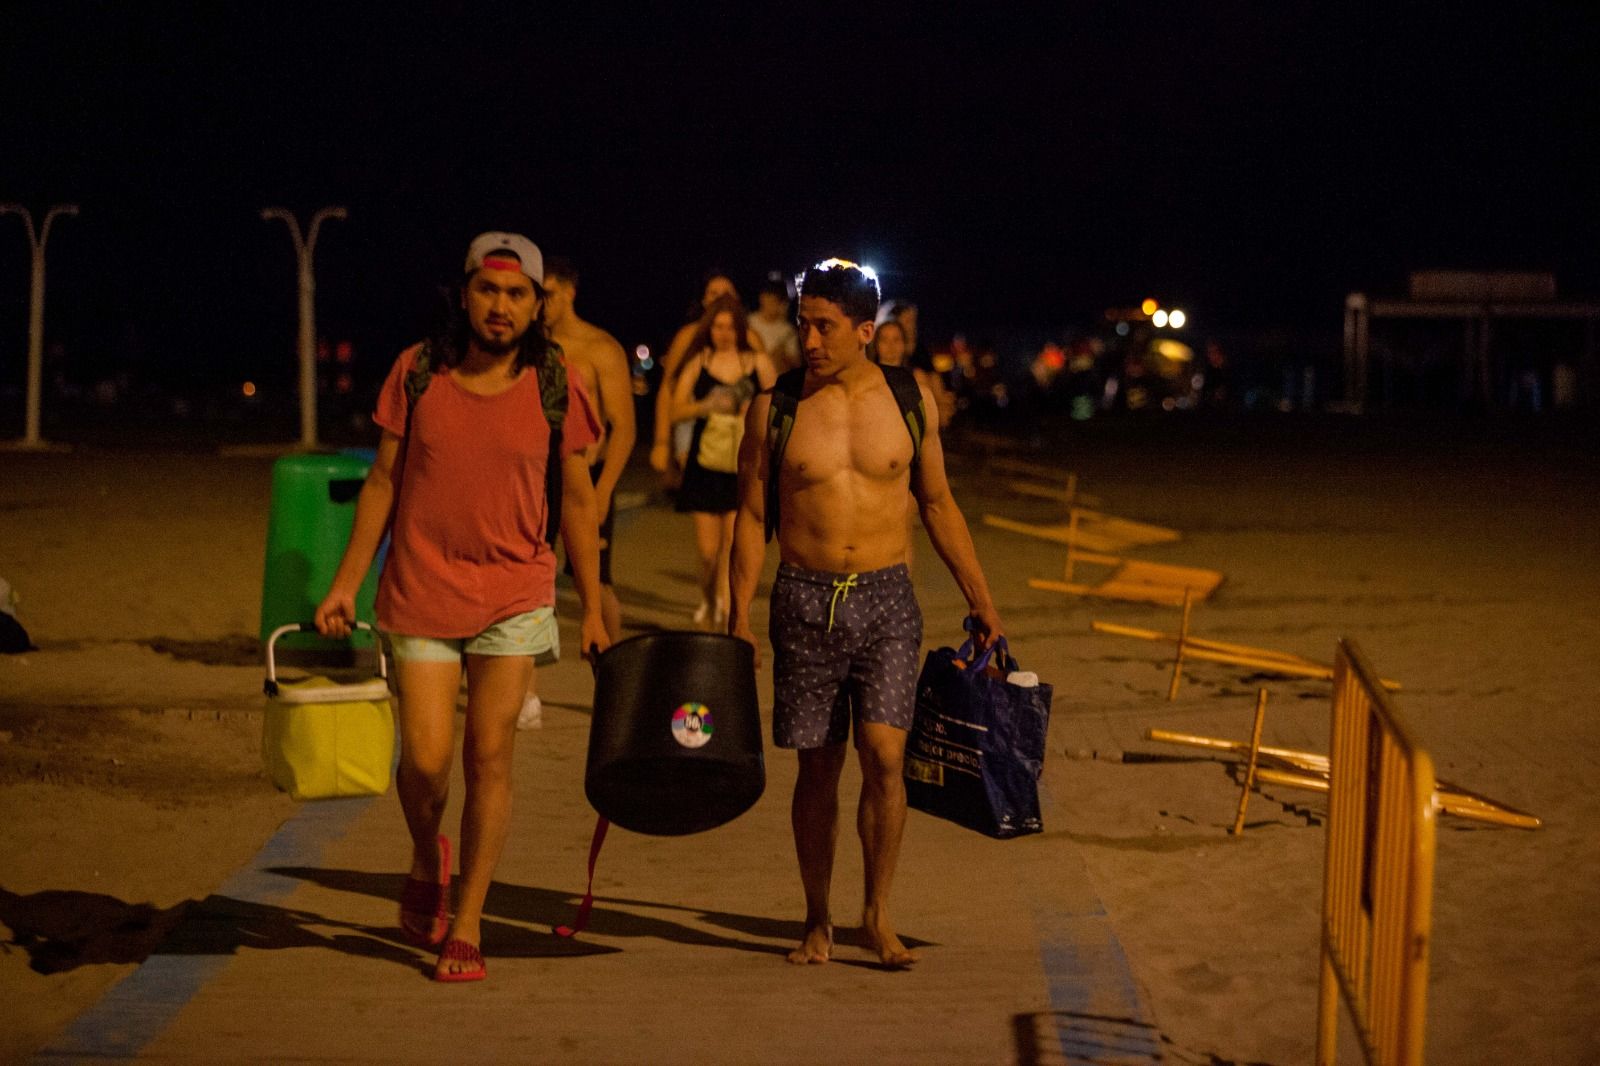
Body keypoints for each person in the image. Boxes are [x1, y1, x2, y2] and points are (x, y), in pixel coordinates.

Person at [313, 232, 610, 983]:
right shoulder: (417, 370)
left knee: (488, 755)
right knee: (427, 760)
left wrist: (597, 607)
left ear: (538, 302)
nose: (501, 307)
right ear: (466, 291)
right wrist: (346, 582)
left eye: (517, 295)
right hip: (419, 589)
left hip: (514, 592)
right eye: (489, 290)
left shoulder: (555, 381)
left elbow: (576, 498)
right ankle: (424, 851)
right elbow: (381, 482)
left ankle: (468, 919)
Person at [728, 258, 1003, 968]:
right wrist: (735, 619)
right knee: (818, 768)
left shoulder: (910, 401)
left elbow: (938, 505)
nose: (809, 341)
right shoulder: (775, 407)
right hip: (804, 598)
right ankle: (817, 917)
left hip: (887, 598)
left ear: (863, 328)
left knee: (885, 758)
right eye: (803, 325)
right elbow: (751, 514)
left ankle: (877, 915)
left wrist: (981, 599)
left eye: (824, 327)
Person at [521, 256, 637, 730]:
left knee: (598, 583)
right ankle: (525, 692)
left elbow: (623, 428)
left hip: (584, 478)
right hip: (531, 479)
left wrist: (605, 487)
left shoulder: (599, 348)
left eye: (546, 292)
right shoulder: (528, 347)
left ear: (569, 291)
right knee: (531, 582)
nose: (541, 303)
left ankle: (612, 679)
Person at [673, 294, 777, 626]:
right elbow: (675, 409)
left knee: (734, 543)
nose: (724, 333)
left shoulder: (756, 362)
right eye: (718, 326)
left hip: (742, 465)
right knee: (707, 552)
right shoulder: (699, 361)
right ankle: (708, 598)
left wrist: (755, 411)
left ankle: (729, 610)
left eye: (731, 327)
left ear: (741, 328)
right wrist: (706, 406)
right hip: (704, 465)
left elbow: (778, 407)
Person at [650, 273, 765, 488]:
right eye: (714, 293)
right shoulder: (688, 336)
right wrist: (662, 442)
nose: (721, 298)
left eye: (727, 293)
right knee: (704, 498)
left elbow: (767, 389)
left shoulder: (750, 338)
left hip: (737, 431)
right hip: (695, 428)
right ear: (704, 300)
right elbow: (668, 388)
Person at [749, 271, 800, 374]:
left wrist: (783, 355)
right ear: (761, 298)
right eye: (768, 298)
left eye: (776, 301)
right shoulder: (749, 322)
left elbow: (797, 363)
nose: (771, 304)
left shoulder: (787, 330)